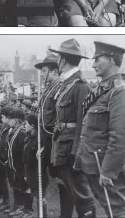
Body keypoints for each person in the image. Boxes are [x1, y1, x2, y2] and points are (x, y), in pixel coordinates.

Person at [74, 42, 125, 218]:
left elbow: (122, 135)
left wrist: (108, 171)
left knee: (118, 211)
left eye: (97, 60)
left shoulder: (118, 92)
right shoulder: (103, 89)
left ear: (109, 60)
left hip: (106, 166)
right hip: (95, 163)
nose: (93, 65)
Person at [49, 39, 96, 218]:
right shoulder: (67, 84)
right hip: (63, 146)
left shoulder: (80, 86)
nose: (57, 61)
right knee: (70, 191)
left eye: (59, 57)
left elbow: (83, 122)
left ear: (63, 59)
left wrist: (76, 153)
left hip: (71, 150)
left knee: (82, 195)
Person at [35, 54, 74, 218]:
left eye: (44, 70)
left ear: (53, 71)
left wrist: (48, 144)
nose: (42, 74)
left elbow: (58, 118)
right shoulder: (48, 88)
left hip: (56, 141)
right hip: (46, 140)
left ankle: (66, 214)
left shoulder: (59, 87)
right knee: (57, 180)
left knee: (64, 182)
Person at [23, 114, 49, 218]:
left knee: (40, 198)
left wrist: (42, 152)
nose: (24, 126)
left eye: (26, 124)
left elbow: (45, 157)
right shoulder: (28, 138)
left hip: (39, 174)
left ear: (32, 125)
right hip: (30, 173)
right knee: (36, 197)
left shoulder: (39, 140)